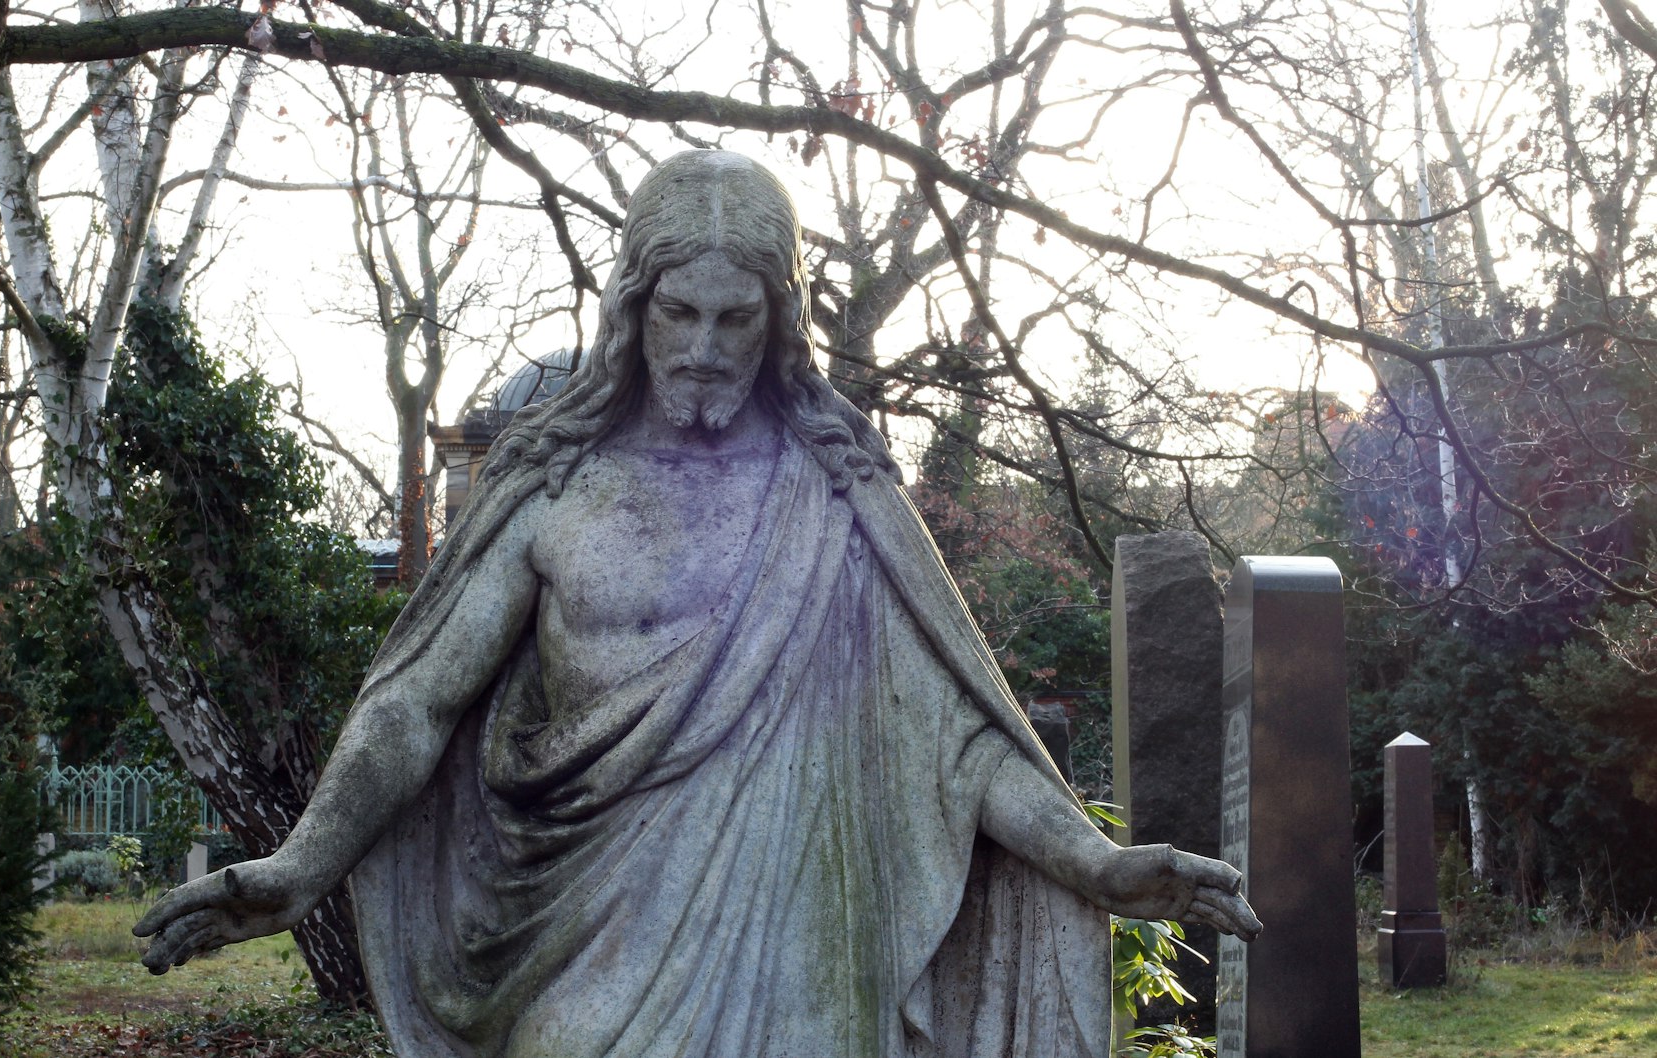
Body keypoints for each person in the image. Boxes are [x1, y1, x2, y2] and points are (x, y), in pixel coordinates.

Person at [134, 150, 1260, 1058]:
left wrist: (1090, 860)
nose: (708, 348)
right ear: (632, 305)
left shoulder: (836, 487)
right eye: (680, 313)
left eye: (738, 318)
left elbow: (958, 738)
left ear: (780, 315)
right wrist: (302, 861)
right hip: (580, 951)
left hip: (807, 965)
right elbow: (415, 702)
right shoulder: (551, 480)